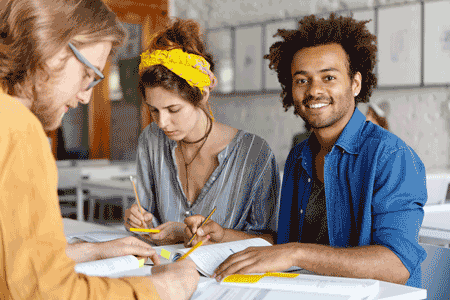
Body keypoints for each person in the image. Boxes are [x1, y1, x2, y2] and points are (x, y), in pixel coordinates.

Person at [0, 1, 199, 299]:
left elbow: (12, 260)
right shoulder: (17, 130)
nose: (85, 96)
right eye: (87, 74)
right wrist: (162, 288)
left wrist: (91, 251)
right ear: (51, 48)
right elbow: (45, 293)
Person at [212, 13, 427, 288]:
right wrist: (223, 236)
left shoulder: (392, 157)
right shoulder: (298, 156)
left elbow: (396, 265)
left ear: (356, 83)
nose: (314, 90)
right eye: (302, 80)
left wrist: (296, 252)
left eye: (328, 77)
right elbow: (285, 245)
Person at [124, 18, 280, 247]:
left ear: (203, 94)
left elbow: (271, 240)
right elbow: (147, 221)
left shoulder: (254, 153)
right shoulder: (151, 140)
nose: (162, 122)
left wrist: (208, 235)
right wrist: (137, 221)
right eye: (154, 110)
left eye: (173, 109)